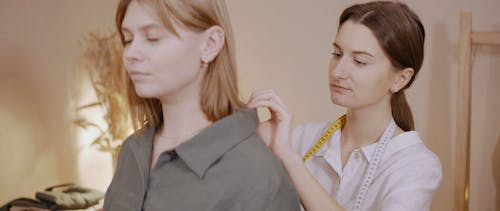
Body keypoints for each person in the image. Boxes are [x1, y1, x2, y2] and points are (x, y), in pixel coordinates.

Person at [103, 0, 300, 210]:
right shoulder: (132, 150)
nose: (131, 53)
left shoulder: (256, 173)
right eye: (128, 39)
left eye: (153, 38)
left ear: (210, 44)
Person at [247, 1, 442, 211]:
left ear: (401, 79)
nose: (338, 72)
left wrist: (290, 160)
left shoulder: (416, 165)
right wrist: (248, 133)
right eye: (337, 54)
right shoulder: (300, 139)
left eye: (359, 61)